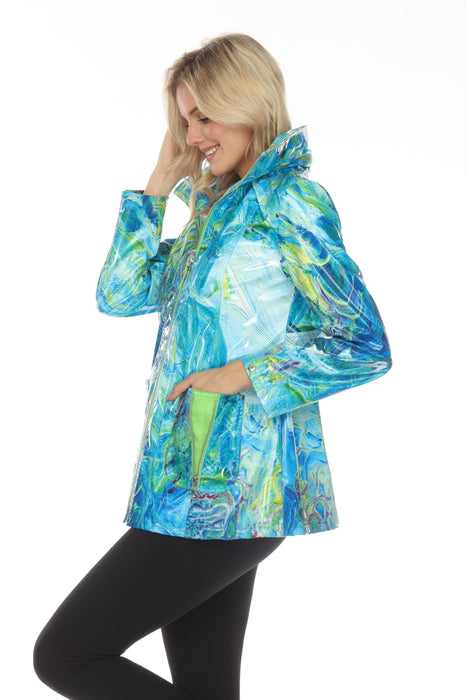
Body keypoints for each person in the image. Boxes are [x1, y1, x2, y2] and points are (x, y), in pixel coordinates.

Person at [33, 32, 392, 699]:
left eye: (205, 116)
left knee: (67, 656)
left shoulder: (291, 202)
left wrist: (245, 374)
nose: (193, 135)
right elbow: (119, 295)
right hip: (181, 481)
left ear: (248, 101)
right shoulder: (211, 214)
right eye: (185, 120)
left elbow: (363, 342)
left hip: (240, 485)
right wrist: (158, 185)